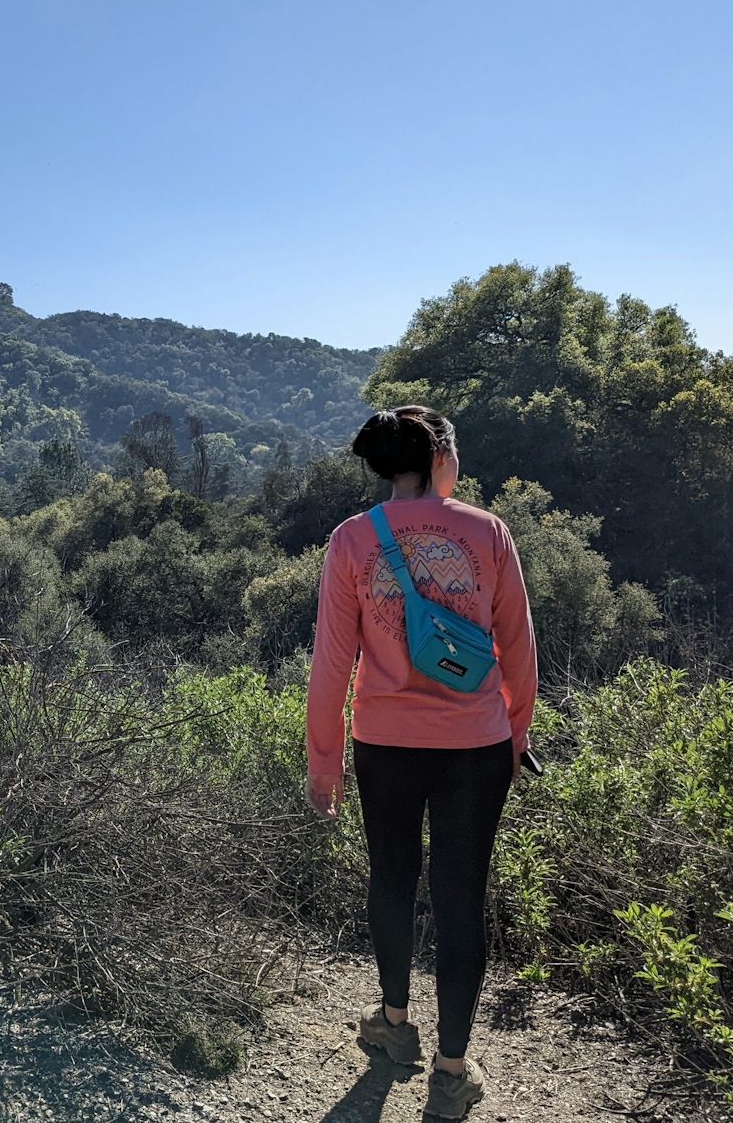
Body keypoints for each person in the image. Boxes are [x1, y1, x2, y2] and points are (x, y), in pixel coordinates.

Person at [305, 406, 536, 1119]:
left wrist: (325, 762)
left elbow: (332, 663)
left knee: (393, 879)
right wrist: (517, 734)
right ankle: (452, 1069)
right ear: (441, 455)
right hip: (476, 745)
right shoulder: (487, 530)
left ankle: (395, 1026)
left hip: (386, 742)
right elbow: (518, 648)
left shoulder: (351, 540)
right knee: (462, 894)